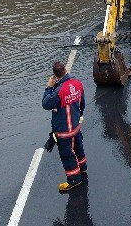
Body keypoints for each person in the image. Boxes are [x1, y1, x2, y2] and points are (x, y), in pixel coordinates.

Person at [42, 61, 87, 192]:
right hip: (76, 126)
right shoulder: (77, 83)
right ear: (66, 70)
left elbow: (46, 104)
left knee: (67, 154)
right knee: (78, 148)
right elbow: (82, 103)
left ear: (55, 76)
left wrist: (49, 87)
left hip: (64, 131)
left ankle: (74, 179)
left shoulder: (58, 91)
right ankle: (82, 167)